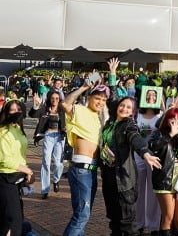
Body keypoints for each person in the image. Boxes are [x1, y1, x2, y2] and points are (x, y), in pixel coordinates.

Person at [63, 58, 116, 235]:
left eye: (103, 99)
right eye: (97, 98)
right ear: (90, 98)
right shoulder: (80, 110)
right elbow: (66, 103)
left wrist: (112, 75)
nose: (100, 102)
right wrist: (85, 86)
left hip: (91, 171)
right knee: (81, 216)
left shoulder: (100, 118)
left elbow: (115, 104)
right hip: (81, 169)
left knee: (83, 215)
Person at [101, 96, 162, 235]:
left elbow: (135, 137)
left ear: (133, 112)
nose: (124, 109)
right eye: (122, 105)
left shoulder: (129, 125)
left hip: (123, 180)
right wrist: (112, 75)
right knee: (114, 221)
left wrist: (145, 153)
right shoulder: (110, 123)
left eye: (129, 107)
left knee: (127, 224)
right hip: (109, 178)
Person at [149, 107, 178, 235]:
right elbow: (154, 146)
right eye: (172, 118)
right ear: (167, 119)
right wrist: (170, 134)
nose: (175, 121)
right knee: (168, 217)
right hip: (164, 178)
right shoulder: (159, 133)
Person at [0, 100, 34, 236]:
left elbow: (19, 155)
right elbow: (4, 159)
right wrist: (27, 170)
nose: (16, 113)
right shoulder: (3, 131)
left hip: (17, 178)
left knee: (13, 220)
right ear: (6, 112)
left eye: (18, 110)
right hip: (5, 179)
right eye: (12, 110)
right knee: (13, 219)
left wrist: (26, 171)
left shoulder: (18, 129)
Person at [30, 89, 66, 199]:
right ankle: (45, 189)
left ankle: (56, 180)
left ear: (59, 99)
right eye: (52, 98)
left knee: (58, 163)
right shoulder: (45, 109)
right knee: (45, 161)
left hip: (59, 137)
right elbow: (33, 114)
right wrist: (36, 105)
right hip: (48, 136)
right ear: (49, 99)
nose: (55, 100)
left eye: (57, 98)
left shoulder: (62, 110)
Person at [135, 104, 163, 235]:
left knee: (153, 191)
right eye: (148, 95)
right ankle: (138, 223)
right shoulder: (137, 115)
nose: (151, 98)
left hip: (154, 155)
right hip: (138, 155)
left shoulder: (160, 115)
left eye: (154, 95)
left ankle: (154, 226)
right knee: (138, 190)